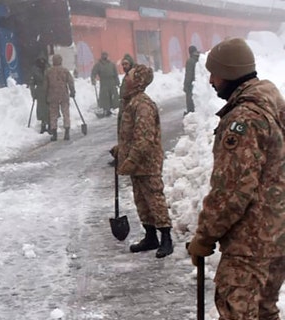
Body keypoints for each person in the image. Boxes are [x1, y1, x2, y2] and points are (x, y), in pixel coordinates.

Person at [187, 37, 285, 320]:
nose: (211, 81)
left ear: (229, 73)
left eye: (214, 74)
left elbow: (232, 190)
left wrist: (205, 236)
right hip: (277, 237)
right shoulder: (272, 105)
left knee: (238, 313)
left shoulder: (243, 119)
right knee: (265, 312)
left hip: (250, 245)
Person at [112, 64, 173, 258]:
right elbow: (132, 136)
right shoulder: (132, 103)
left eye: (129, 76)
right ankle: (150, 236)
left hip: (147, 163)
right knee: (141, 201)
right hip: (137, 164)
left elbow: (144, 139)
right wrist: (121, 150)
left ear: (137, 81)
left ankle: (166, 238)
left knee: (154, 199)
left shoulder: (143, 105)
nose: (125, 79)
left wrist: (130, 160)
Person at [109, 53, 137, 167]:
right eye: (123, 64)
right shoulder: (127, 76)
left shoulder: (133, 76)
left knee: (127, 133)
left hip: (129, 108)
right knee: (122, 132)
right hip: (124, 107)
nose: (124, 66)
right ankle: (122, 156)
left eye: (126, 64)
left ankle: (125, 158)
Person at [44, 53, 75, 141]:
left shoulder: (48, 71)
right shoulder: (65, 70)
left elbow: (45, 85)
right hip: (63, 95)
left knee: (53, 115)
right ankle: (67, 132)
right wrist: (72, 91)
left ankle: (54, 134)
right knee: (66, 113)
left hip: (52, 96)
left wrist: (45, 95)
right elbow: (70, 82)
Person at [91, 52, 120, 118]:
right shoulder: (98, 65)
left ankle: (114, 109)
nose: (105, 57)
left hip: (112, 82)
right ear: (101, 56)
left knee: (114, 96)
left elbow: (116, 74)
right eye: (103, 55)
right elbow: (93, 73)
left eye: (106, 55)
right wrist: (93, 80)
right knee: (105, 97)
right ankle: (106, 110)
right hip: (104, 82)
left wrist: (117, 82)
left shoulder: (112, 64)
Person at [29, 55, 50, 134]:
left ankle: (50, 124)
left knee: (49, 108)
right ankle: (44, 124)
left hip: (48, 90)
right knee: (41, 109)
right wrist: (33, 93)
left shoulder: (48, 68)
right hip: (41, 91)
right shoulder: (35, 70)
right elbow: (31, 83)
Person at [183, 45, 199, 114]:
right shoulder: (200, 58)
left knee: (190, 99)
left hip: (191, 84)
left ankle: (191, 113)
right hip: (199, 83)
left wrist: (186, 85)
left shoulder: (190, 61)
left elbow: (188, 74)